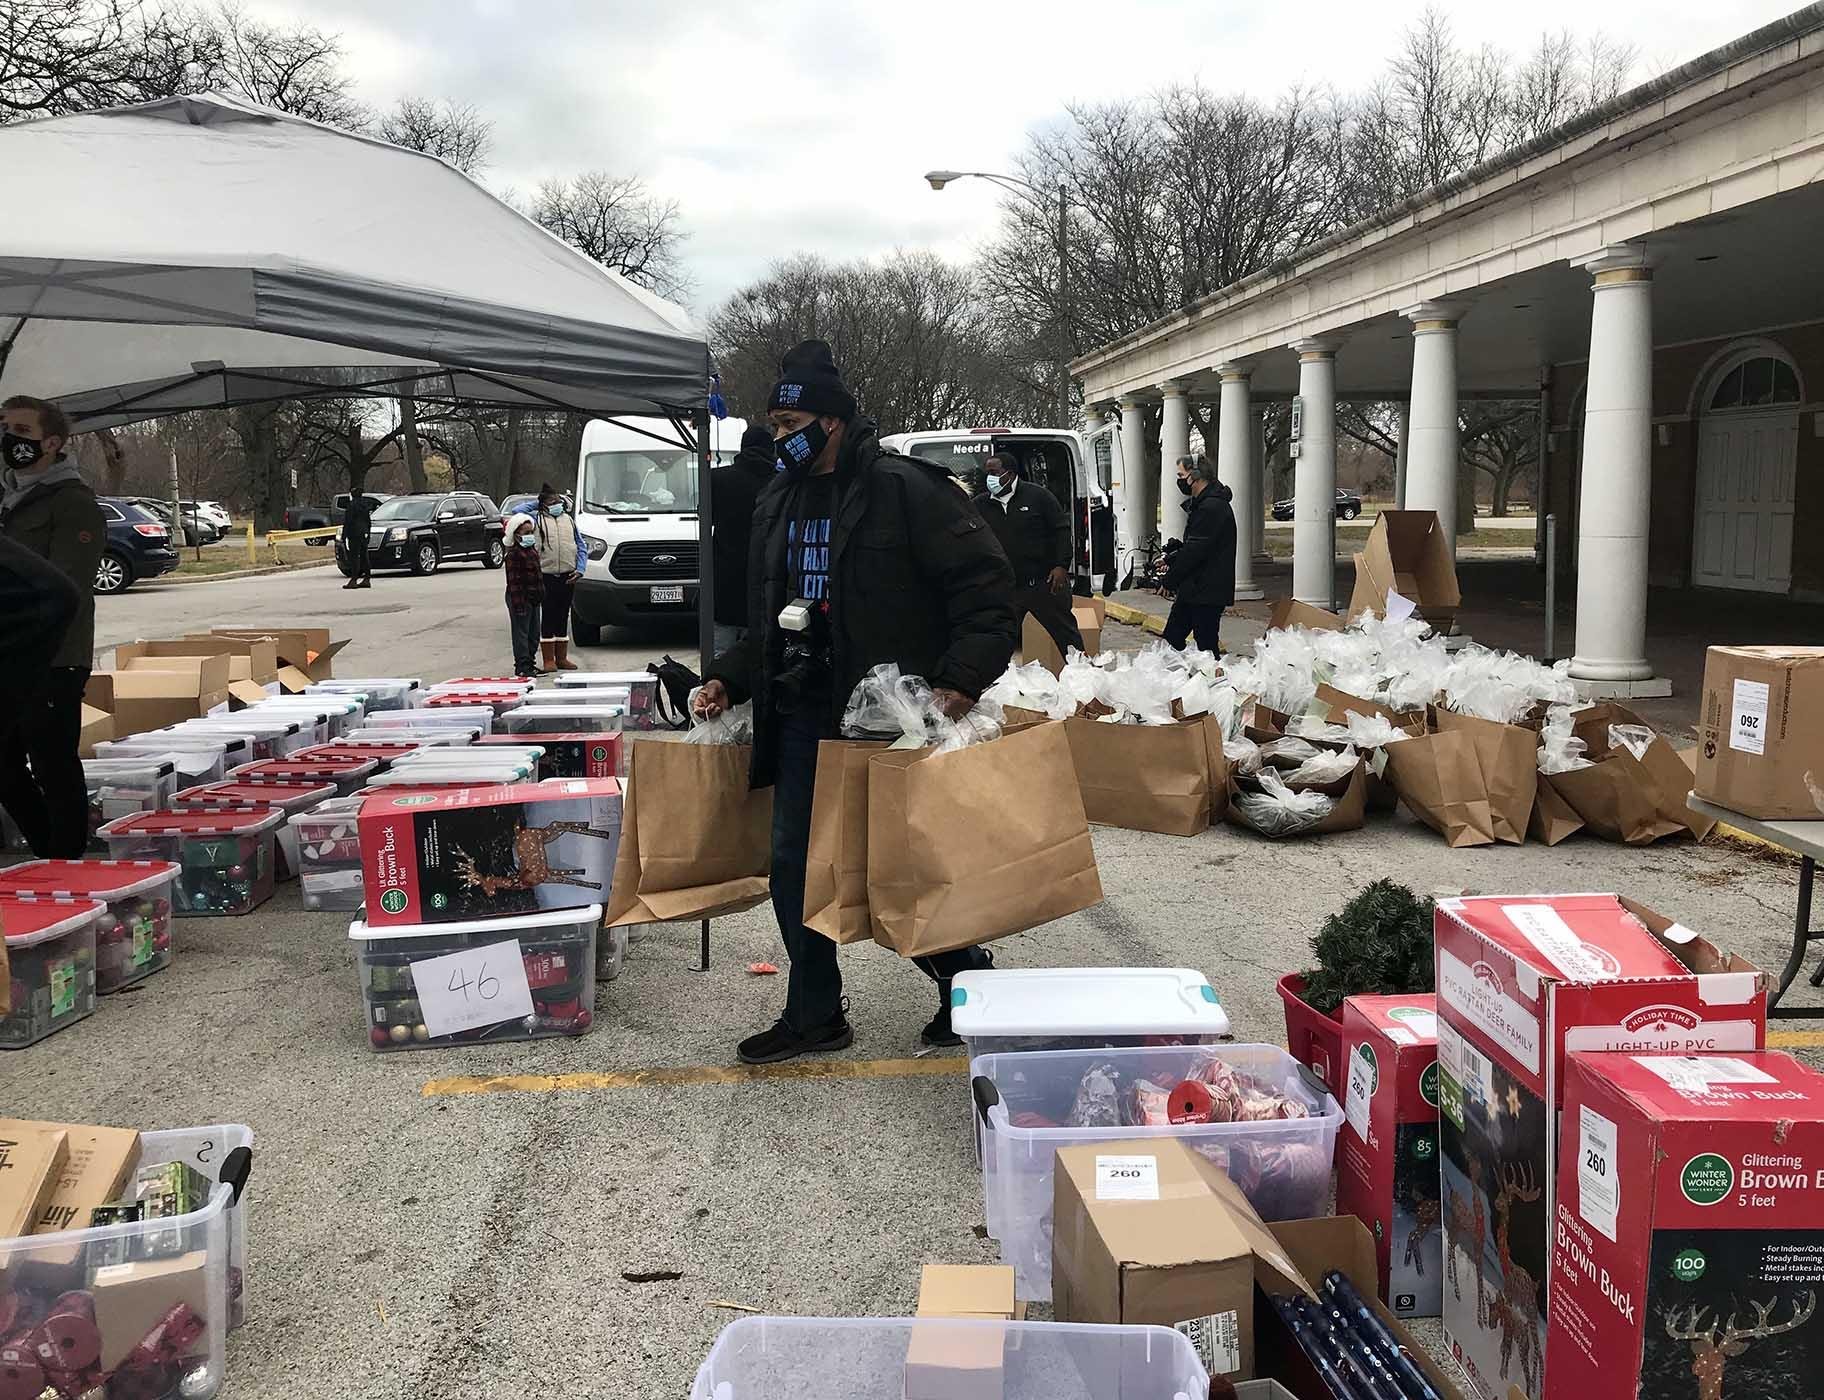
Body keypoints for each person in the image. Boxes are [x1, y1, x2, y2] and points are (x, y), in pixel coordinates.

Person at [693, 340, 1018, 1065]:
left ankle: (966, 988)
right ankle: (812, 1012)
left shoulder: (906, 488)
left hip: (888, 722)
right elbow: (771, 611)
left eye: (788, 423)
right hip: (802, 716)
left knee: (902, 866)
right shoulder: (779, 496)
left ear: (832, 421)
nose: (779, 438)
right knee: (793, 865)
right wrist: (730, 678)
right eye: (773, 426)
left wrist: (959, 685)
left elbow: (989, 592)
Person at [0, 395, 106, 858]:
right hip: (8, 653)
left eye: (21, 432)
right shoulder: (7, 497)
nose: (9, 439)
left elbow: (69, 587)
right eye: (5, 428)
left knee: (52, 762)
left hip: (53, 656)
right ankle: (47, 850)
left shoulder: (72, 502)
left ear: (52, 442)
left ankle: (66, 860)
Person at [972, 451, 1082, 657]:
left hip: (1043, 583)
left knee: (1067, 636)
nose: (990, 478)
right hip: (1004, 587)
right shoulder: (980, 505)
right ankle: (999, 684)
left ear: (1010, 474)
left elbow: (1061, 530)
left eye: (994, 472)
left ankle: (1083, 677)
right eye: (987, 473)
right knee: (998, 640)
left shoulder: (1039, 497)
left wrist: (1061, 566)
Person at [1158, 452, 1237, 653]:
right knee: (1173, 640)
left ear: (1195, 475)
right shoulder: (1206, 504)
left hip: (1206, 590)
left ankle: (1213, 682)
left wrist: (1170, 580)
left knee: (1206, 645)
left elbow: (1196, 550)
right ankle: (1188, 679)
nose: (1179, 481)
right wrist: (1171, 558)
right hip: (1196, 589)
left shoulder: (1211, 508)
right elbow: (1197, 545)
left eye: (1181, 476)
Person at [709, 423, 777, 655]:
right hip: (764, 589)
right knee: (759, 664)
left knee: (721, 662)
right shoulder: (780, 484)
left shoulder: (717, 479)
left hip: (724, 588)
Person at [534, 482, 583, 671]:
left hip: (568, 575)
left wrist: (579, 569)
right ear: (544, 504)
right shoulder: (537, 520)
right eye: (552, 501)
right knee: (548, 615)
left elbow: (580, 546)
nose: (557, 504)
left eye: (558, 501)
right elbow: (517, 509)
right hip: (546, 576)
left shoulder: (568, 520)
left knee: (563, 615)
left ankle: (561, 658)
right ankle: (548, 660)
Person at [502, 512, 544, 677]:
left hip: (534, 597)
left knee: (534, 633)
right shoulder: (513, 555)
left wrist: (540, 595)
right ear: (516, 535)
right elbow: (514, 583)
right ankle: (522, 665)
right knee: (521, 633)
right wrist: (519, 604)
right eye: (525, 533)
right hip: (520, 597)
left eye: (531, 532)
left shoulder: (532, 551)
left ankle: (531, 662)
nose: (529, 536)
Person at [341, 489, 372, 589]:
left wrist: (344, 535)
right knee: (364, 555)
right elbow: (368, 521)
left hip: (354, 533)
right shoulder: (365, 505)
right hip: (364, 532)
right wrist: (368, 532)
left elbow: (348, 521)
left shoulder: (351, 505)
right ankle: (367, 578)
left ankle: (354, 579)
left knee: (354, 556)